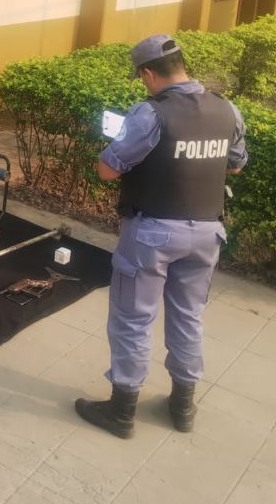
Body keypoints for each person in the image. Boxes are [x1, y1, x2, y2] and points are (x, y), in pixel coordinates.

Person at [75, 34, 248, 439]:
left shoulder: (150, 114)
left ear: (149, 74)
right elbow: (236, 164)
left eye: (142, 78)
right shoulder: (227, 109)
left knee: (134, 319)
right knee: (189, 315)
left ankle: (122, 412)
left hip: (152, 234)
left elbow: (107, 170)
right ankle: (182, 407)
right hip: (206, 233)